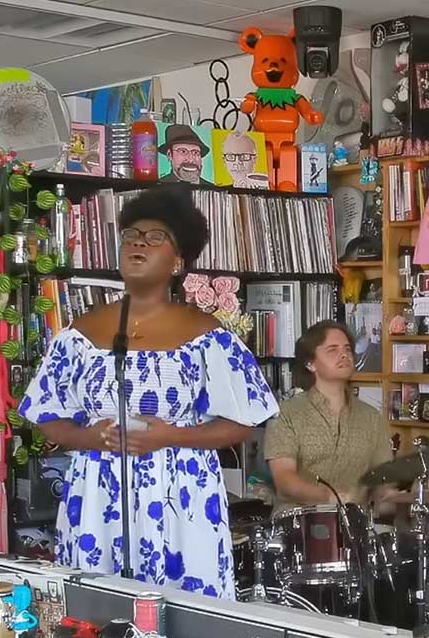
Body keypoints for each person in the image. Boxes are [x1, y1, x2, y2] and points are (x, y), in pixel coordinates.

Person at [20, 186, 276, 596]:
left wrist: (170, 436)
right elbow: (47, 415)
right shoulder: (80, 332)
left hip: (181, 495)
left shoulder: (207, 334)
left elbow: (243, 422)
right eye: (131, 234)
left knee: (186, 620)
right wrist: (89, 436)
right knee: (98, 616)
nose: (139, 241)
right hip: (98, 493)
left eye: (156, 236)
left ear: (178, 261)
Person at [264, 321, 394, 512]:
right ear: (310, 364)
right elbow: (285, 482)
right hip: (298, 526)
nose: (344, 355)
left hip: (355, 529)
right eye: (332, 350)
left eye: (348, 349)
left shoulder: (371, 417)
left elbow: (384, 485)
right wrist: (330, 497)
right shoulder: (286, 413)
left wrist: (413, 496)